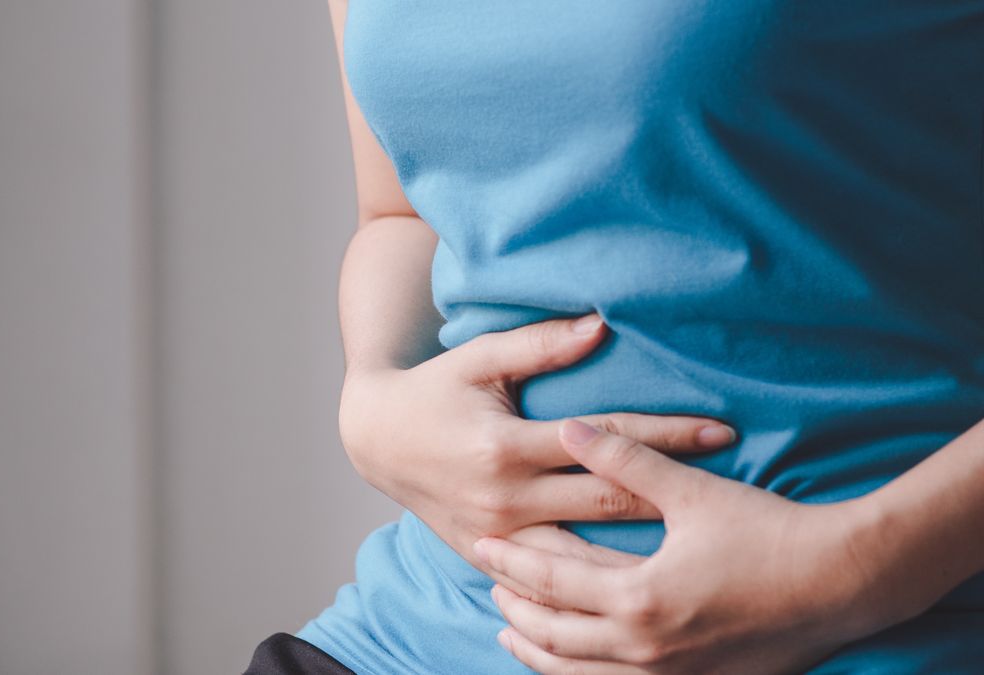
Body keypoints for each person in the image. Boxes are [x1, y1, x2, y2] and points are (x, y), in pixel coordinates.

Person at [247, 2, 984, 673]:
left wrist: (849, 574)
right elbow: (398, 213)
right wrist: (373, 392)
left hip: (873, 636)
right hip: (421, 629)